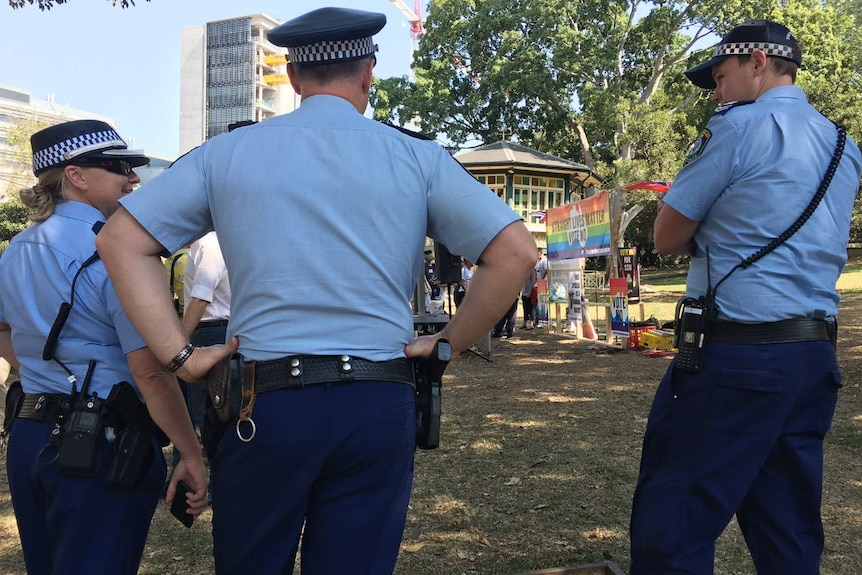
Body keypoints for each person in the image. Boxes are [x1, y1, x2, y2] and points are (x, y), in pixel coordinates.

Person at [95, 7, 537, 575]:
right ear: (368, 73)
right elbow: (517, 253)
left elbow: (121, 240)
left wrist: (178, 354)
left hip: (266, 402)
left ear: (294, 77)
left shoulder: (226, 153)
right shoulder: (417, 157)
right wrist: (449, 341)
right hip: (377, 399)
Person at [630, 20, 862, 575]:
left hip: (736, 355)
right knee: (787, 529)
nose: (715, 91)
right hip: (811, 358)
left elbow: (665, 235)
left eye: (720, 74)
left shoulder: (735, 127)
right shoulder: (843, 146)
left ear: (757, 61)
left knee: (674, 522)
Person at [0, 120, 209, 575]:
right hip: (99, 442)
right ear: (75, 175)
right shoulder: (118, 252)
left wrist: (46, 372)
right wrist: (190, 453)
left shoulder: (15, 250)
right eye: (119, 167)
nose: (132, 178)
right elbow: (152, 373)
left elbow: (2, 330)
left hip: (31, 432)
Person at [179, 231, 230, 461]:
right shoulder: (216, 241)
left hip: (211, 331)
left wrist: (179, 342)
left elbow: (202, 296)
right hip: (215, 329)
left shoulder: (210, 243)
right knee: (205, 411)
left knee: (207, 413)